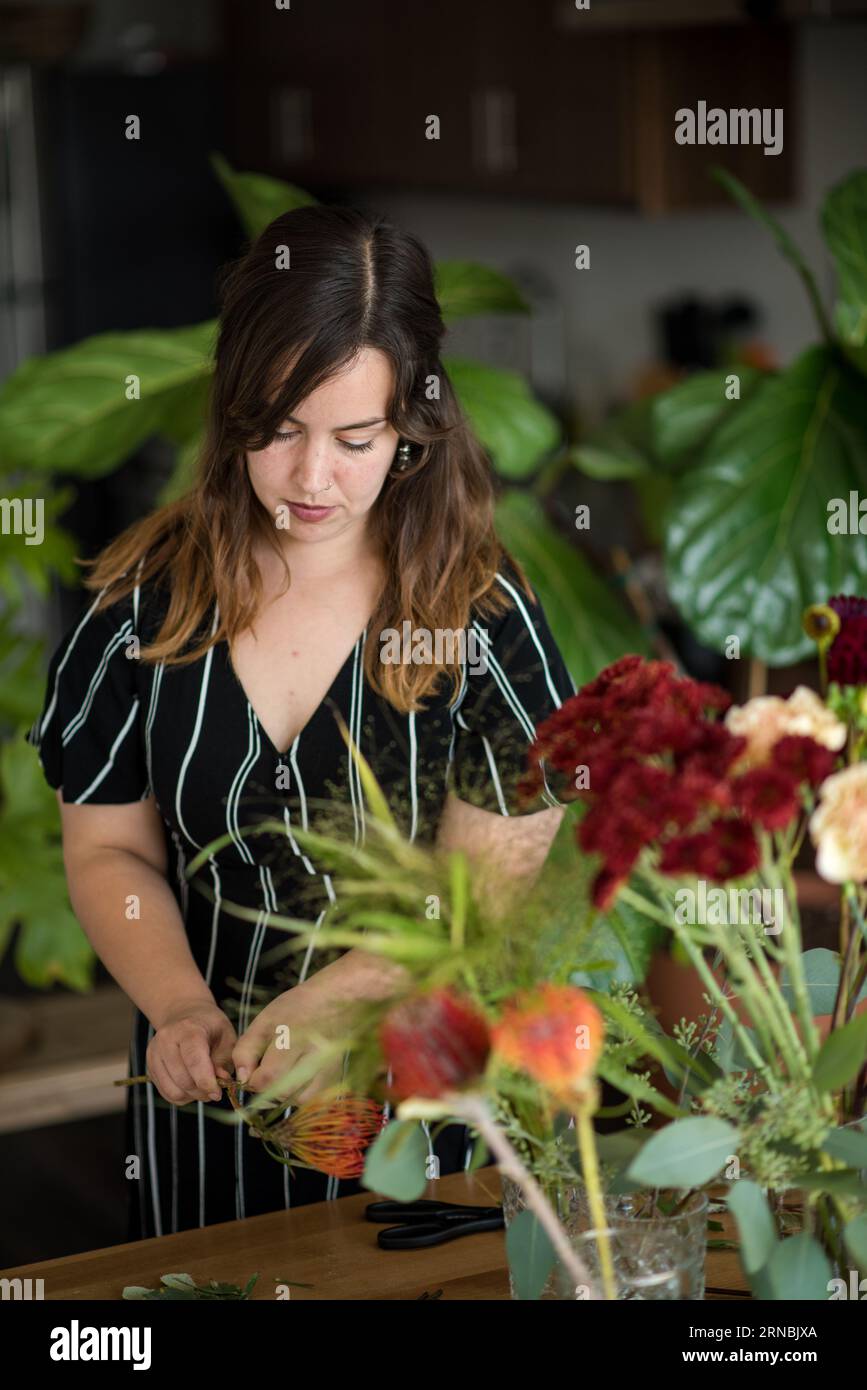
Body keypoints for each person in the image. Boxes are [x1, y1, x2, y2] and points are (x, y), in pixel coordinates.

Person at [27, 204, 575, 1240]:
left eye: (354, 438)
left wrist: (351, 993)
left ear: (411, 427)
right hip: (210, 1112)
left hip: (436, 1126)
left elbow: (489, 887)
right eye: (277, 431)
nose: (311, 477)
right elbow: (108, 850)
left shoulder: (481, 613)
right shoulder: (143, 605)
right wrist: (181, 1006)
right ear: (233, 410)